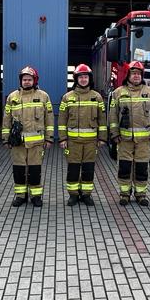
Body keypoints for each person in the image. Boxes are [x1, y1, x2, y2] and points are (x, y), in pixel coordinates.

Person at [108, 61, 150, 206]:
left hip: (144, 140)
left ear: (142, 76)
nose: (136, 76)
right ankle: (124, 194)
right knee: (124, 167)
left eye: (138, 74)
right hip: (124, 139)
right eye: (133, 73)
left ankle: (141, 194)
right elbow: (113, 115)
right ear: (128, 75)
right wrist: (114, 134)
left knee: (142, 167)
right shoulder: (118, 92)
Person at [3, 65, 54, 207]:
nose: (26, 82)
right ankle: (21, 196)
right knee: (19, 170)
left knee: (34, 171)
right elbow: (6, 119)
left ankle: (36, 196)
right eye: (24, 79)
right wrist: (5, 139)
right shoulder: (12, 97)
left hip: (36, 143)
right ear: (20, 81)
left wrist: (49, 138)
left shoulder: (43, 96)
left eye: (29, 79)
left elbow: (49, 119)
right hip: (17, 143)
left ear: (34, 81)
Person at [58, 63, 107, 206]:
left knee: (88, 169)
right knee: (73, 169)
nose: (83, 79)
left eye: (86, 77)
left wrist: (102, 138)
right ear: (76, 79)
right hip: (73, 141)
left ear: (89, 79)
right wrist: (62, 138)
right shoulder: (67, 97)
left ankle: (86, 194)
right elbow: (62, 120)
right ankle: (73, 195)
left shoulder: (97, 97)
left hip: (91, 142)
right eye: (81, 77)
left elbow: (102, 119)